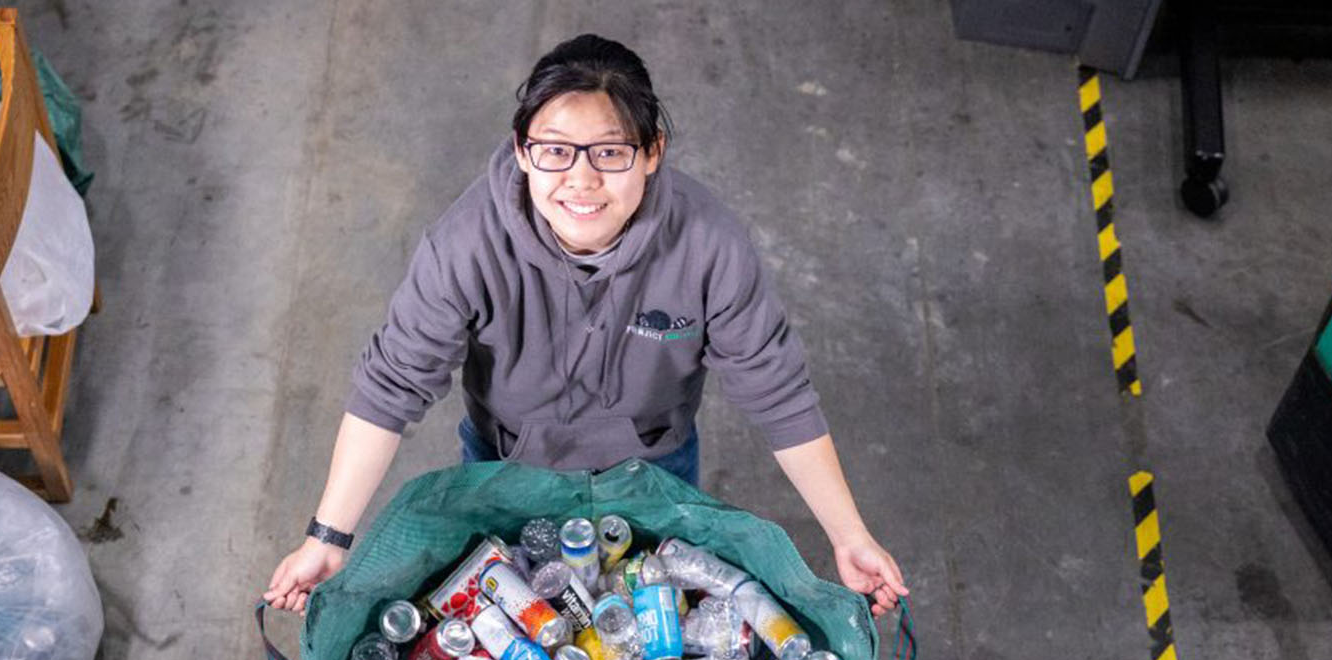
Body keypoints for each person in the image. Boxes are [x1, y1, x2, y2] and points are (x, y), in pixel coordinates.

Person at [265, 34, 907, 617]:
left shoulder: (710, 247)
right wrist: (327, 538)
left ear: (653, 153)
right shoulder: (465, 246)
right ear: (522, 151)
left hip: (653, 470)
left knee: (649, 622)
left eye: (610, 152)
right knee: (515, 617)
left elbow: (780, 394)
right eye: (553, 151)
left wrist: (850, 537)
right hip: (506, 464)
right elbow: (391, 385)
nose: (580, 180)